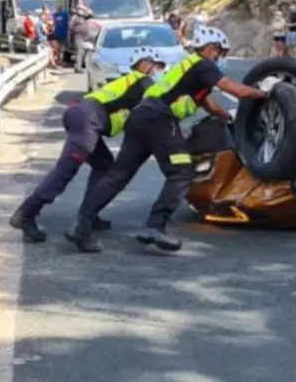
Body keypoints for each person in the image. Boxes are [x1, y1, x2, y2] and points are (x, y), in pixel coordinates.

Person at [69, 26, 268, 253]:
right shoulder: (203, 65)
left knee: (119, 174)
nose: (221, 59)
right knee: (181, 170)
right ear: (211, 49)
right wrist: (265, 93)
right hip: (159, 118)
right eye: (221, 54)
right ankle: (155, 225)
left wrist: (228, 116)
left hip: (139, 117)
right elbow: (234, 89)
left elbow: (207, 103)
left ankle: (81, 223)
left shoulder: (189, 68)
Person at [9, 46, 166, 242]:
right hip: (88, 119)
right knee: (64, 171)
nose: (161, 72)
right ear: (144, 65)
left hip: (84, 116)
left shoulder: (129, 82)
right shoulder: (144, 82)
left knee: (104, 164)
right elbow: (158, 106)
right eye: (158, 67)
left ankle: (90, 213)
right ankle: (26, 213)